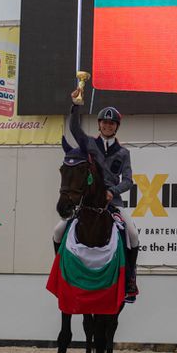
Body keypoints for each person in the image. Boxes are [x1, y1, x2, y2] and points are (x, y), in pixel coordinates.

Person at [53, 88, 140, 300]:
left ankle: (130, 279)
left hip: (112, 202)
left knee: (133, 235)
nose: (107, 126)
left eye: (111, 124)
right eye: (104, 122)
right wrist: (76, 105)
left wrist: (112, 191)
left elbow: (128, 180)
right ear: (99, 124)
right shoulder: (89, 144)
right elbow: (74, 128)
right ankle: (59, 271)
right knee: (57, 231)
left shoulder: (123, 153)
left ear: (116, 127)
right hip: (88, 202)